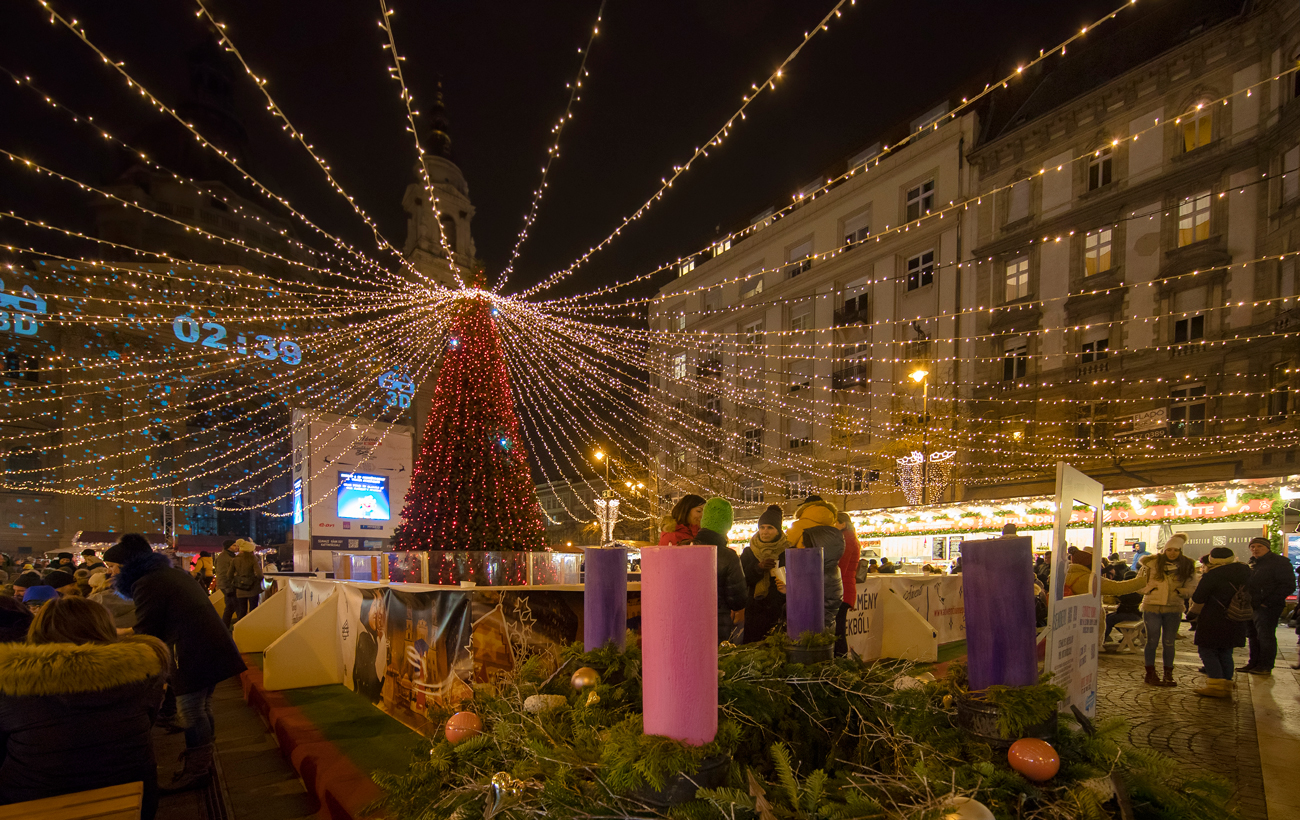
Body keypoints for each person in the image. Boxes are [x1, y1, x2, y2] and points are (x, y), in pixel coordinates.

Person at [0, 596, 170, 819]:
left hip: (30, 803)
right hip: (135, 795)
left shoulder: (11, 684)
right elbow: (147, 720)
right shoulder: (144, 672)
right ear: (105, 628)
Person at [106, 532, 246, 791]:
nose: (111, 572)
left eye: (113, 567)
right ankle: (204, 762)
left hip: (191, 651)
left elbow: (148, 628)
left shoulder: (148, 582)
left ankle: (197, 769)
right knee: (202, 707)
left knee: (192, 711)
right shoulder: (167, 575)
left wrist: (113, 634)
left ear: (126, 565)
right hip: (209, 646)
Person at [1188, 547, 1252, 697]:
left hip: (1214, 617)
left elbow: (1198, 597)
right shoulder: (1246, 572)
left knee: (1207, 650)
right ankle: (1227, 684)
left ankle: (1216, 685)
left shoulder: (1213, 575)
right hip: (1236, 617)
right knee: (1226, 651)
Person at [1137, 533, 1197, 687]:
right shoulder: (1151, 564)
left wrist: (1182, 592)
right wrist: (1149, 589)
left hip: (1173, 607)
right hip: (1152, 606)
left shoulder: (1187, 566)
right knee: (1152, 641)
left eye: (1176, 550)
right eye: (1169, 549)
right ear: (1164, 550)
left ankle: (1168, 674)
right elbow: (1138, 583)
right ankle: (1150, 673)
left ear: (1180, 551)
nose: (1172, 553)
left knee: (1169, 642)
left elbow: (1192, 586)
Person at [690, 498, 748, 643]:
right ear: (727, 526)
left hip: (686, 621)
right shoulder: (728, 556)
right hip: (717, 624)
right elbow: (738, 600)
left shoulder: (683, 548)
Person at [784, 499, 845, 633]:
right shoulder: (833, 535)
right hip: (832, 582)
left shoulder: (800, 527)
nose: (799, 548)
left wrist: (790, 589)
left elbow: (786, 543)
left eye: (802, 544)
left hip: (812, 637)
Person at [1239, 536, 1296, 676]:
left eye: (1259, 546)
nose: (1255, 549)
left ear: (1267, 548)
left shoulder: (1280, 562)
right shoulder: (1253, 562)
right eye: (1253, 547)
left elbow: (1288, 585)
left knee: (1265, 635)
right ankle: (1253, 662)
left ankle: (1265, 665)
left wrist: (1267, 602)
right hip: (1252, 605)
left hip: (1268, 606)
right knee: (1252, 635)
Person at [739, 505, 788, 644]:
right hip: (754, 611)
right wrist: (758, 568)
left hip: (779, 610)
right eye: (762, 527)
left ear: (778, 531)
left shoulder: (787, 551)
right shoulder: (749, 552)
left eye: (770, 528)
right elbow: (742, 579)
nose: (765, 532)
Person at [833, 513, 860, 656]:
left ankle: (840, 658)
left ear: (842, 524)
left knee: (838, 630)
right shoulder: (850, 537)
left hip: (842, 590)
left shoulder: (846, 539)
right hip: (846, 589)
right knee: (839, 628)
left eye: (834, 522)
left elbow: (841, 566)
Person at [229, 541, 264, 623]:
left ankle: (240, 628)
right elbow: (259, 574)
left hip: (240, 589)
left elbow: (229, 575)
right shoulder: (253, 558)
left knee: (242, 610)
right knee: (253, 609)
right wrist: (258, 580)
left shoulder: (235, 559)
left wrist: (236, 581)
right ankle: (252, 626)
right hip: (253, 588)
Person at [213, 538, 239, 630]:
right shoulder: (224, 558)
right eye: (234, 545)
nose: (236, 547)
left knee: (230, 607)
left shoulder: (228, 556)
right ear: (228, 547)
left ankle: (224, 627)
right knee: (235, 606)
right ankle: (229, 627)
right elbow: (223, 574)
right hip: (227, 585)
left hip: (227, 585)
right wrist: (228, 587)